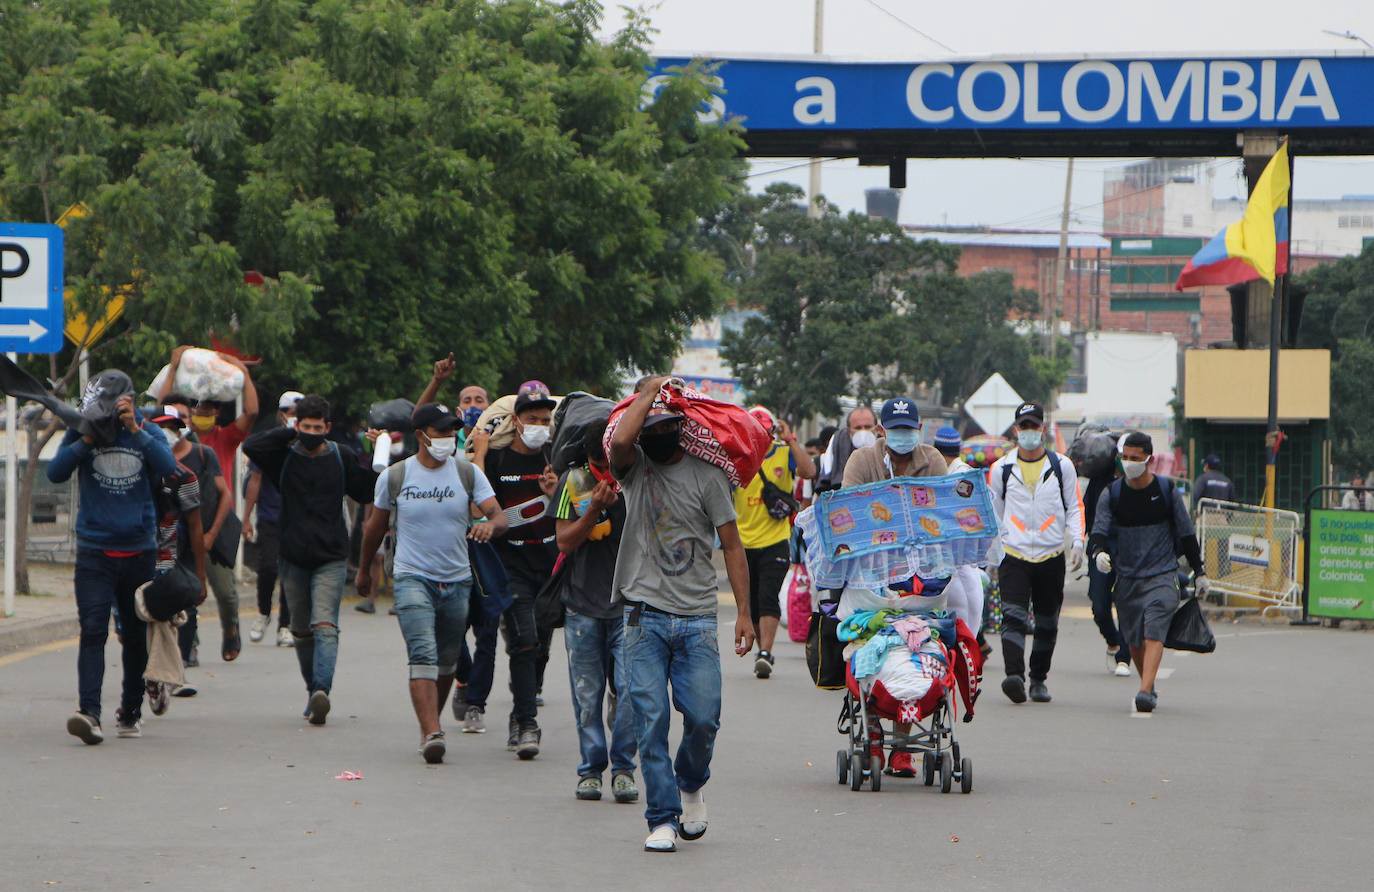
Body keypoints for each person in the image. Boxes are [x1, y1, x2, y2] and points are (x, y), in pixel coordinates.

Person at [609, 377, 754, 853]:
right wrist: (650, 393)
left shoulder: (707, 475)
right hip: (642, 615)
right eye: (652, 425)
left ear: (682, 428)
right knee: (649, 721)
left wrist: (745, 615)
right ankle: (663, 818)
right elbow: (623, 441)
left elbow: (732, 545)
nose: (657, 433)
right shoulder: (634, 469)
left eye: (667, 426)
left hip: (695, 617)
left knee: (703, 718)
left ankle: (690, 781)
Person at [356, 403, 506, 762]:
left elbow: (499, 516)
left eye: (451, 432)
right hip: (412, 578)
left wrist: (490, 525)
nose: (447, 439)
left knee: (447, 661)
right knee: (422, 653)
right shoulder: (396, 476)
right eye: (440, 432)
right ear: (421, 435)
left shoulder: (467, 474)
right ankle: (430, 732)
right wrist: (364, 571)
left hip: (457, 580)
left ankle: (431, 721)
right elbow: (374, 527)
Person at [48, 370, 179, 744]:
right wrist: (86, 439)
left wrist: (135, 430)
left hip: (139, 550)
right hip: (94, 551)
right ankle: (89, 713)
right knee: (92, 630)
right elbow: (56, 473)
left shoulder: (147, 431)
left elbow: (170, 471)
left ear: (130, 402)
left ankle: (131, 710)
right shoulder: (82, 431)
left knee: (135, 636)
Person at [244, 395, 379, 724]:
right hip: (292, 556)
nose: (312, 432)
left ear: (328, 428)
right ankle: (313, 692)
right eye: (306, 427)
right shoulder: (284, 458)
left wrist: (376, 455)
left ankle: (322, 690)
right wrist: (288, 433)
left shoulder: (340, 457)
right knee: (301, 629)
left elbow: (368, 489)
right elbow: (252, 446)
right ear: (296, 425)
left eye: (318, 427)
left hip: (331, 555)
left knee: (325, 625)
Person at [842, 396, 949, 778]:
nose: (903, 436)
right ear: (882, 431)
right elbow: (849, 512)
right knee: (867, 647)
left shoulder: (933, 460)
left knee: (917, 650)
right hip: (870, 568)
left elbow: (942, 510)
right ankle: (872, 732)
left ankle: (902, 747)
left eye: (910, 429)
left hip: (921, 569)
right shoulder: (863, 461)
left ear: (919, 430)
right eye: (896, 429)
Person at [1089, 432, 1208, 713]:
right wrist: (1099, 553)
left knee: (1154, 628)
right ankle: (1149, 681)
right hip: (1127, 576)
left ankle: (1144, 690)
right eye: (1125, 458)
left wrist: (1199, 571)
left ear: (1148, 460)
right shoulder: (1113, 494)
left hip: (1162, 574)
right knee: (1133, 639)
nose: (1129, 463)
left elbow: (1187, 533)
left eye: (1135, 458)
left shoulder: (1166, 491)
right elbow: (1099, 531)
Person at [553, 419, 639, 803]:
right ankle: (590, 769)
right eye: (597, 461)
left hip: (630, 605)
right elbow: (564, 542)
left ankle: (623, 768)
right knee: (587, 695)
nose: (603, 468)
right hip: (583, 605)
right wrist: (593, 513)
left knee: (631, 691)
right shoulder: (572, 482)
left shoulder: (638, 480)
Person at [470, 391, 560, 759]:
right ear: (516, 420)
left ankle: (523, 701)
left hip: (550, 564)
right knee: (522, 640)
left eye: (544, 420)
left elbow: (574, 511)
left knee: (539, 643)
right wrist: (478, 451)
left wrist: (555, 495)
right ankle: (526, 723)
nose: (538, 426)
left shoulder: (554, 461)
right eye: (532, 419)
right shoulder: (496, 459)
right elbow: (476, 504)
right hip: (510, 566)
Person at [988, 402, 1085, 705]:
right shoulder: (1001, 469)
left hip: (1051, 554)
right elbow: (994, 514)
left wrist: (1078, 542)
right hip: (1013, 554)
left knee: (1046, 622)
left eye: (1034, 426)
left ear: (1042, 429)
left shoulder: (1061, 466)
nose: (1029, 432)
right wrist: (993, 555)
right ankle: (1014, 675)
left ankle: (1039, 679)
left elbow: (1074, 507)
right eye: (1023, 426)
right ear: (1016, 430)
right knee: (1012, 616)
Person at [733, 406, 815, 678]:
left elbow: (808, 470)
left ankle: (765, 652)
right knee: (753, 602)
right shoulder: (737, 457)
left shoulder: (783, 453)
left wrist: (790, 440)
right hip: (742, 543)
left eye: (764, 432)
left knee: (768, 595)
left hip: (776, 539)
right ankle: (762, 648)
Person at [163, 394, 241, 662]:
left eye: (182, 418)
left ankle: (231, 629)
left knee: (226, 594)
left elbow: (225, 496)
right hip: (170, 540)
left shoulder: (203, 455)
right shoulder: (156, 455)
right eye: (172, 420)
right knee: (183, 594)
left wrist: (210, 535)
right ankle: (187, 649)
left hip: (206, 536)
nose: (177, 425)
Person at [148, 407, 211, 701]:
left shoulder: (185, 477)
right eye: (161, 428)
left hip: (170, 556)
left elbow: (196, 525)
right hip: (132, 551)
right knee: (133, 622)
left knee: (168, 616)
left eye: (173, 428)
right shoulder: (136, 470)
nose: (167, 434)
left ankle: (170, 675)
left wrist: (200, 573)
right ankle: (150, 674)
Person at [242, 391, 303, 647]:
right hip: (269, 515)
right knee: (268, 567)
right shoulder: (269, 444)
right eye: (291, 413)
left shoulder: (307, 443)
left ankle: (286, 625)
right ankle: (264, 612)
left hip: (297, 519)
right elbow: (255, 480)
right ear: (282, 415)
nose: (295, 418)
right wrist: (246, 518)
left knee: (290, 573)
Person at [1079, 443, 1131, 678]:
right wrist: (1088, 547)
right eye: (1123, 456)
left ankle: (1124, 657)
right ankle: (1114, 641)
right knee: (1099, 604)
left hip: (1130, 549)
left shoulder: (1142, 484)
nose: (1127, 460)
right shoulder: (1100, 482)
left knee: (1127, 604)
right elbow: (1087, 514)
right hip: (1101, 546)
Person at [817, 406, 878, 492]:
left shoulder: (884, 444)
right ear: (849, 430)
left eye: (868, 427)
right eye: (858, 428)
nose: (863, 431)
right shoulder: (837, 441)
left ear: (876, 427)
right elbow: (826, 475)